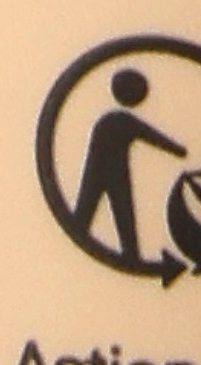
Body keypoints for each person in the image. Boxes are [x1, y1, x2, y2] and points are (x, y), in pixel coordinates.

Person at [74, 68, 187, 260]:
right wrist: (178, 150)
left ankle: (130, 254)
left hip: (100, 173)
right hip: (112, 174)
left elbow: (151, 135)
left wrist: (178, 149)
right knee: (120, 211)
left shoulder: (110, 121)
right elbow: (151, 135)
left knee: (90, 214)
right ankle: (130, 254)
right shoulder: (121, 121)